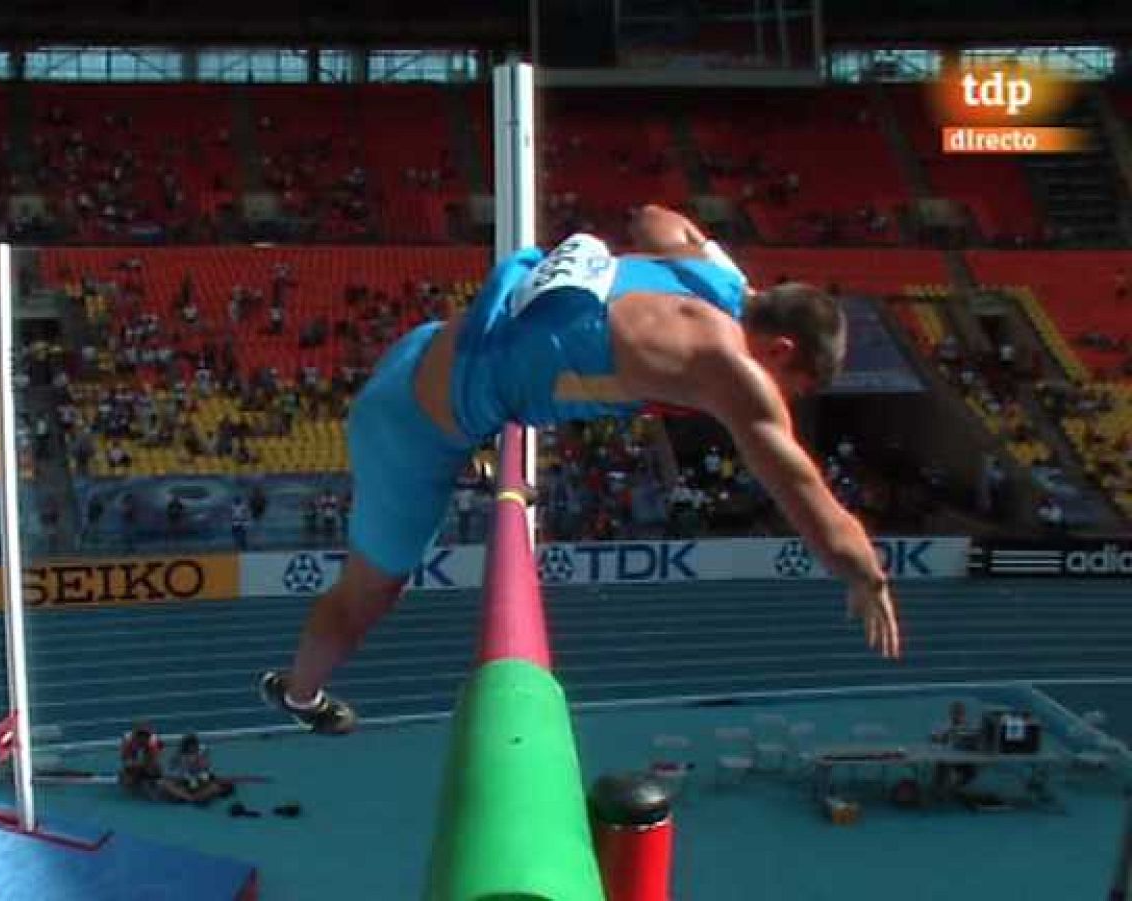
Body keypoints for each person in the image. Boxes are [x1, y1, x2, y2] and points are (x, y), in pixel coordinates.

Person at [259, 205, 903, 735]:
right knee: (370, 593)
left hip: (426, 343)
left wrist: (716, 269)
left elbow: (654, 217)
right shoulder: (727, 363)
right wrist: (866, 576)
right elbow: (803, 491)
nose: (781, 399)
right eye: (791, 385)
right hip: (411, 431)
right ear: (780, 348)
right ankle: (299, 693)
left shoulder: (709, 274)